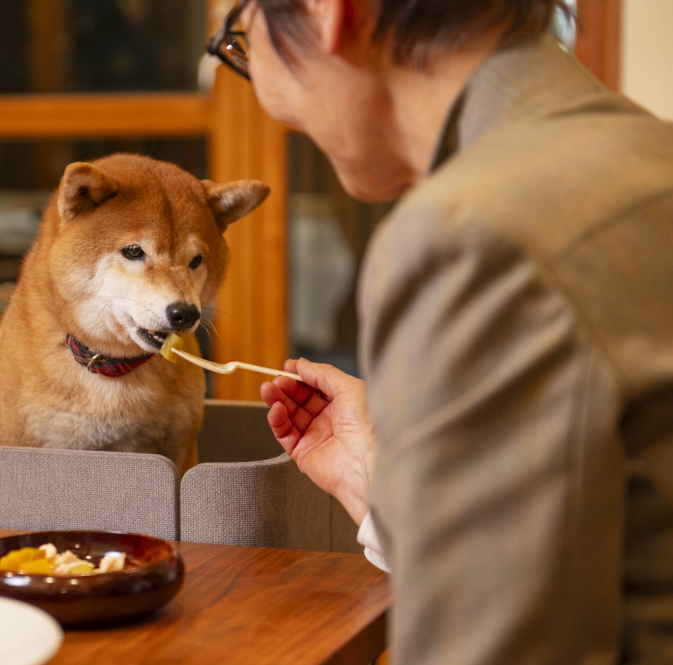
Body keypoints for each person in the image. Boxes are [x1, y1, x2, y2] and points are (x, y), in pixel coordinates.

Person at [207, 1, 673, 664]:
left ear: (326, 11)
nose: (244, 63)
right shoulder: (651, 155)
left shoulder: (472, 232)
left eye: (238, 33)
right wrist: (385, 482)